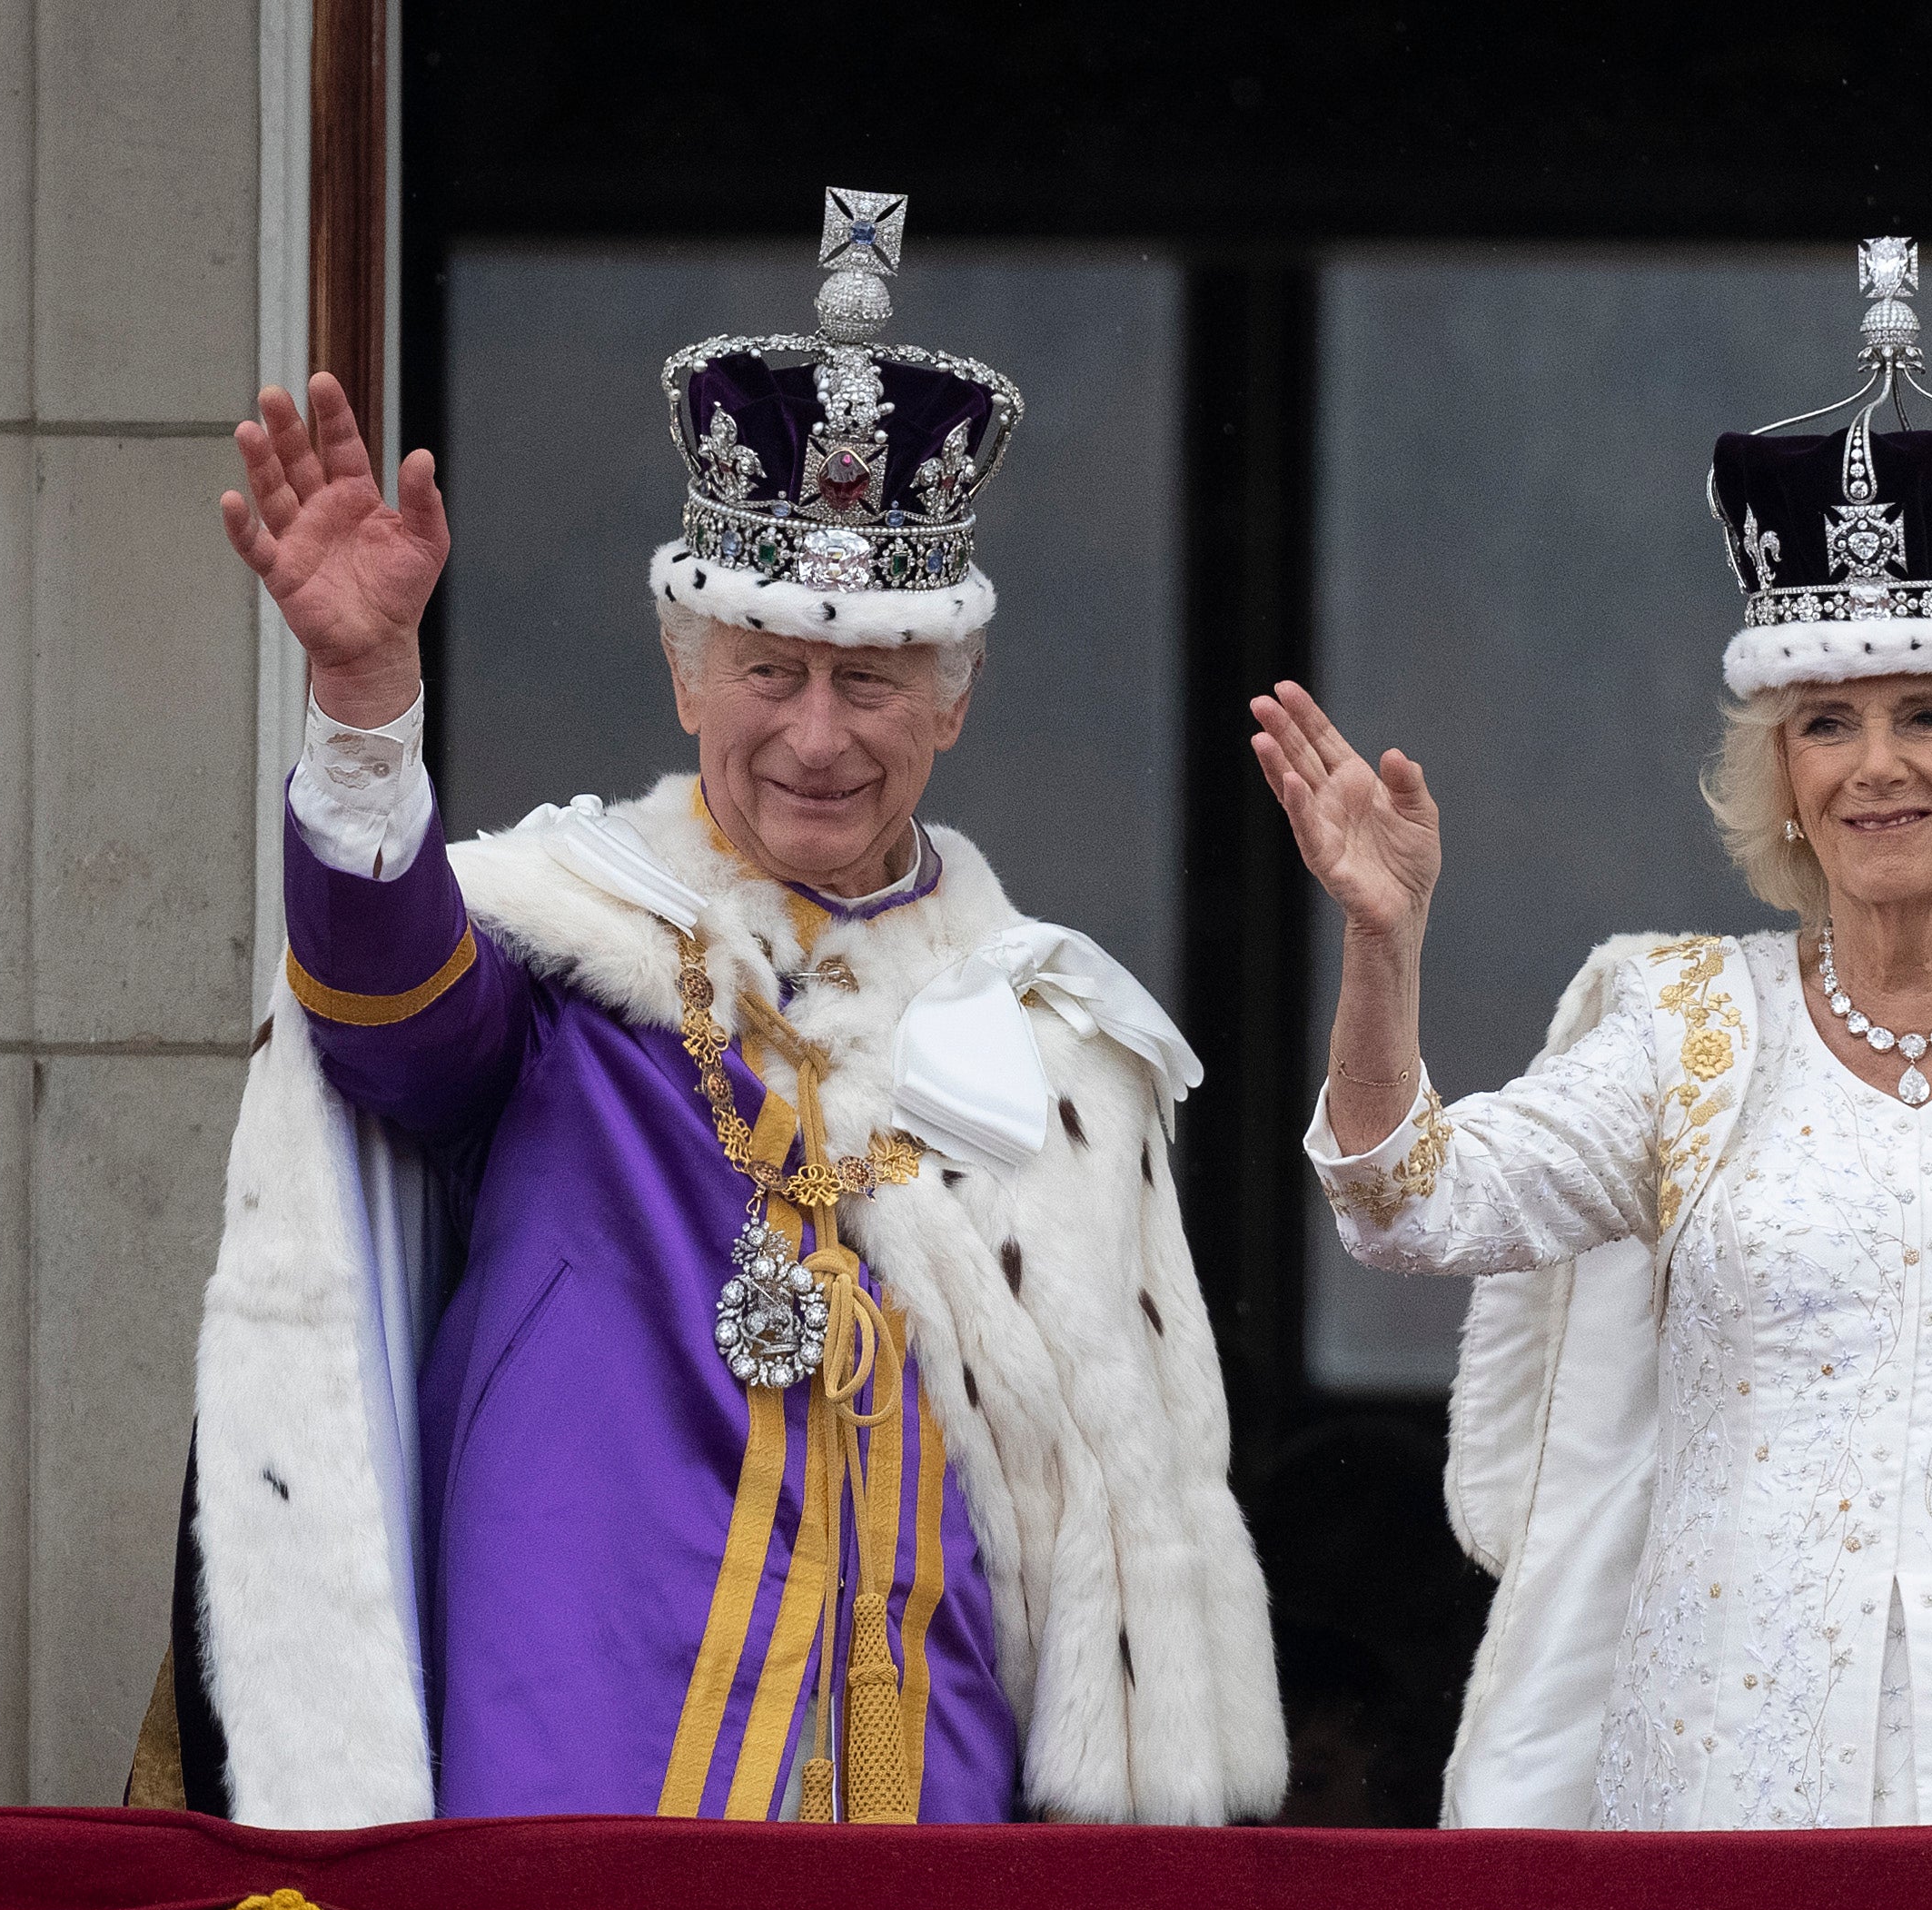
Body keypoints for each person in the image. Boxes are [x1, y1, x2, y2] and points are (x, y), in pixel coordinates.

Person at [134, 189, 1282, 1827]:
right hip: (589, 1726)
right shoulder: (570, 952)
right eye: (768, 672)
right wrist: (366, 705)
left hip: (925, 1753)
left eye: (870, 681)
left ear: (949, 707)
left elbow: (1101, 1513)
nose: (818, 735)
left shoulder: (1054, 1040)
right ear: (684, 679)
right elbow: (391, 1018)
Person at [1267, 240, 1932, 1832]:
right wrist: (1382, 944)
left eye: (1928, 713)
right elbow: (1413, 1204)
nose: (1878, 766)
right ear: (1784, 776)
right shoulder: (1690, 1023)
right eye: (1829, 722)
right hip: (1731, 1785)